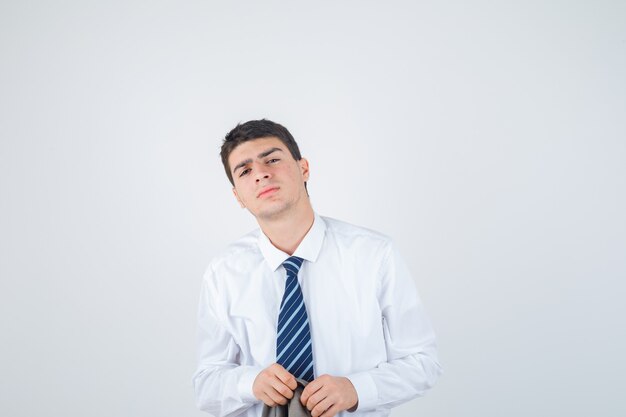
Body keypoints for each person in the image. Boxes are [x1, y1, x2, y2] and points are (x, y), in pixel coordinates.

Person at [193, 119, 442, 417]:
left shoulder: (375, 255)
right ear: (238, 197)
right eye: (245, 171)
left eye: (272, 159)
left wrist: (356, 389)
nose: (261, 174)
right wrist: (250, 383)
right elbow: (207, 383)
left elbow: (423, 361)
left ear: (304, 169)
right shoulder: (223, 273)